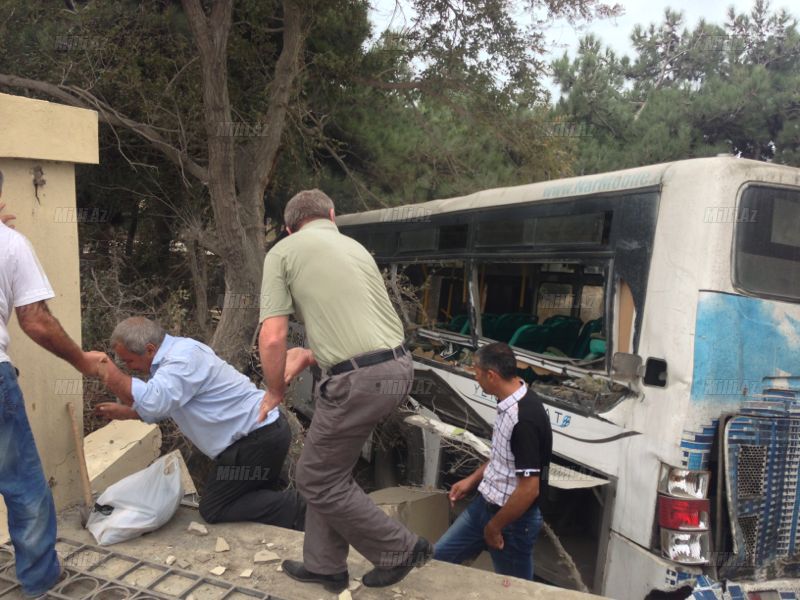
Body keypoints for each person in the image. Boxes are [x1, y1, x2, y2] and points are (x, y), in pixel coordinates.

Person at [258, 189, 431, 593]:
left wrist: (274, 390)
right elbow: (351, 324)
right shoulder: (353, 247)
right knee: (328, 470)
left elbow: (272, 338)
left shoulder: (283, 252)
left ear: (288, 228)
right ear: (332, 215)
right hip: (397, 367)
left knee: (314, 476)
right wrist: (307, 356)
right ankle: (324, 566)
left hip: (358, 380)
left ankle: (399, 550)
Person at [91, 316, 305, 531]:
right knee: (252, 498)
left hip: (256, 439)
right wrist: (129, 413)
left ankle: (306, 509)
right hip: (262, 434)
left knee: (214, 508)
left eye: (128, 361)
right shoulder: (174, 358)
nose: (130, 367)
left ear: (149, 349)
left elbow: (154, 401)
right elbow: (164, 405)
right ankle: (306, 521)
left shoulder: (182, 358)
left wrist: (108, 371)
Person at [0, 170, 99, 596]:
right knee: (22, 484)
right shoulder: (10, 244)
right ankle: (40, 581)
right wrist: (80, 360)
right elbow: (36, 321)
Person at [433, 342, 552, 581]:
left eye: (476, 373)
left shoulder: (524, 419)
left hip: (512, 523)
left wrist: (494, 527)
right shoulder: (508, 401)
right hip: (483, 507)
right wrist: (472, 479)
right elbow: (503, 456)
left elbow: (529, 490)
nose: (475, 378)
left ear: (491, 375)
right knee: (438, 558)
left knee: (513, 590)